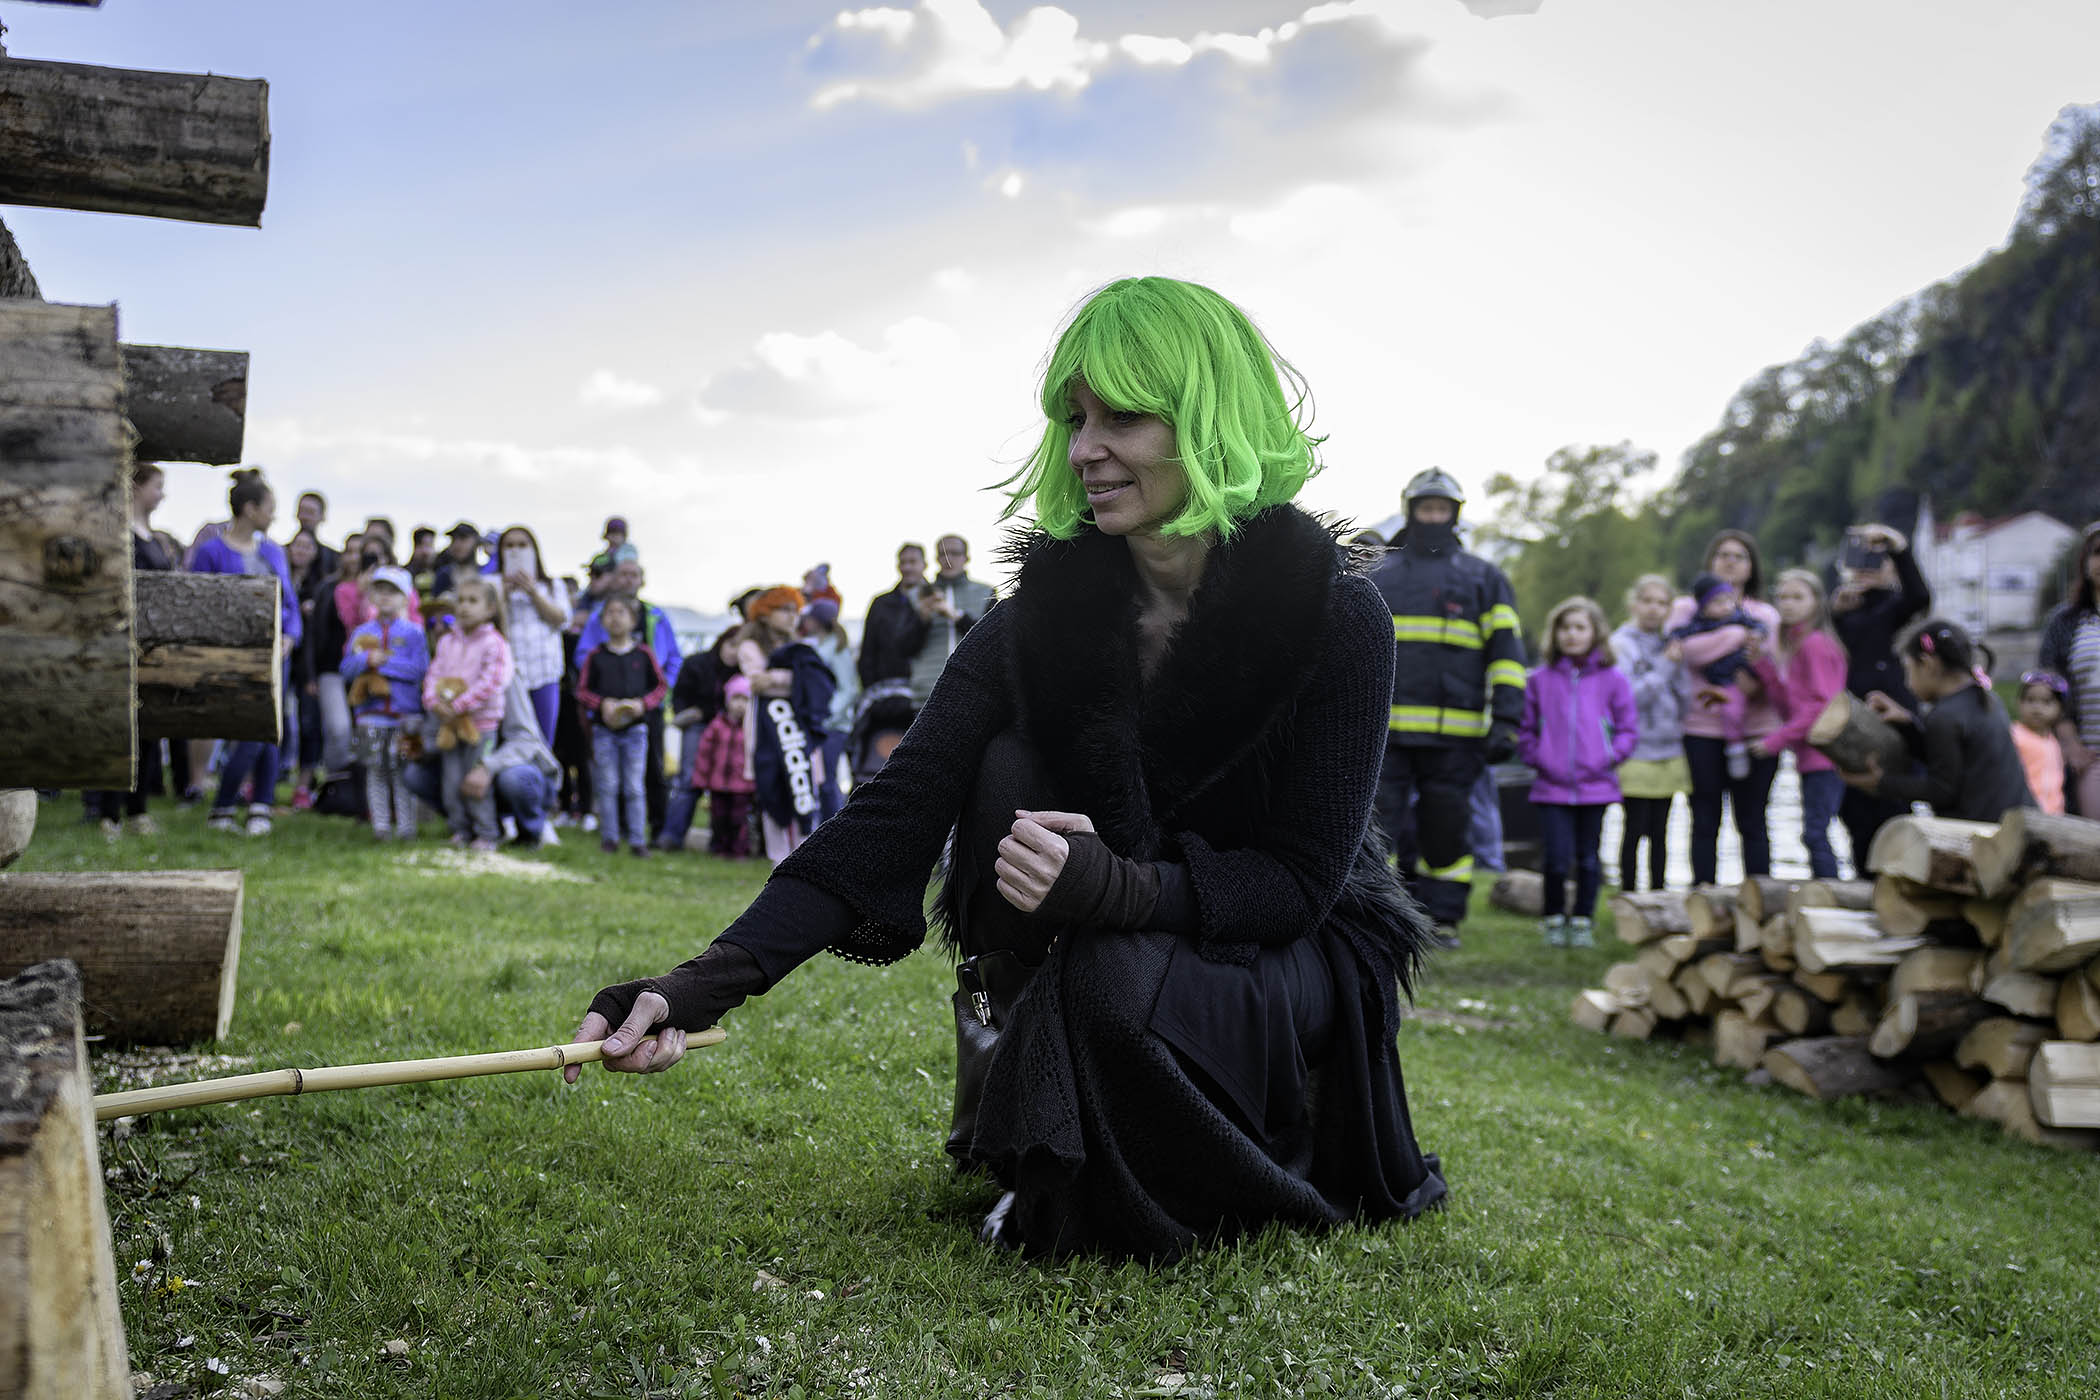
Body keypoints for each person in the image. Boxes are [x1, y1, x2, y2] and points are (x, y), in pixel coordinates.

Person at [569, 275, 1445, 1262]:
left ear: (1211, 421)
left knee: (1111, 970)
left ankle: (1185, 1154)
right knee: (1005, 764)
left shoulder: (1338, 613)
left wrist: (1120, 887)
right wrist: (695, 986)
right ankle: (1020, 1071)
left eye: (1123, 417)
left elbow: (1296, 884)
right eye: (1075, 419)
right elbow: (894, 813)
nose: (1084, 450)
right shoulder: (1042, 611)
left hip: (1285, 950)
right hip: (1106, 930)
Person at [1368, 468, 1526, 947]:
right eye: (1426, 508)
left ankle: (1444, 919)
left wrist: (1506, 720)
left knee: (1447, 830)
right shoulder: (1380, 573)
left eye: (1441, 509)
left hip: (1456, 737)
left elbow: (1507, 655)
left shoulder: (1484, 578)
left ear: (1454, 515)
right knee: (1376, 828)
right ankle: (1374, 913)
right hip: (1384, 735)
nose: (1433, 517)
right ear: (1411, 510)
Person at [1519, 597, 1637, 948]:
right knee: (1556, 858)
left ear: (1595, 633)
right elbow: (1526, 729)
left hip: (1596, 786)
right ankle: (1554, 918)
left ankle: (1584, 919)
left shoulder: (1613, 679)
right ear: (1555, 634)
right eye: (1565, 628)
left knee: (1588, 859)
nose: (1571, 634)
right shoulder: (1539, 679)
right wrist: (1538, 757)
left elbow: (1628, 728)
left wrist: (1609, 756)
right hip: (1551, 786)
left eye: (1579, 627)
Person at [1666, 530, 1781, 887]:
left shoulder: (1765, 614)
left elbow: (1773, 662)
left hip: (1756, 730)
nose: (1730, 562)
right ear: (1711, 562)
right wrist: (1736, 636)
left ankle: (1760, 899)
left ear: (1751, 567)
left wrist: (1753, 675)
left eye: (1739, 556)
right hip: (1701, 729)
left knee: (1753, 820)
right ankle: (1704, 896)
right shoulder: (1685, 608)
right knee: (1704, 819)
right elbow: (1687, 652)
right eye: (1723, 555)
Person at [191, 469, 302, 836]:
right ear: (251, 509)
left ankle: (259, 806)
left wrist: (289, 637)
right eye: (270, 507)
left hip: (275, 655)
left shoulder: (272, 552)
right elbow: (196, 602)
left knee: (269, 729)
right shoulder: (211, 552)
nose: (274, 515)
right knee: (248, 729)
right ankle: (226, 804)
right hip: (232, 656)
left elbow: (289, 603)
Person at [1840, 619, 2034, 822]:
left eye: (1908, 670)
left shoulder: (1945, 716)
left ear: (1928, 664)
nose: (1907, 683)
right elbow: (1951, 759)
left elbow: (1942, 790)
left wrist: (1881, 782)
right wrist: (1908, 724)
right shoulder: (1985, 698)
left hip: (1982, 831)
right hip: (2015, 820)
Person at [1830, 522, 1931, 859]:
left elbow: (1919, 596)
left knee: (1894, 807)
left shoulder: (1896, 606)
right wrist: (1836, 612)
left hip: (1892, 719)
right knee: (1855, 811)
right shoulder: (1845, 610)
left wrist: (1898, 548)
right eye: (1860, 562)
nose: (1867, 569)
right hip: (1852, 719)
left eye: (1876, 562)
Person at [87, 461, 176, 837]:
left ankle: (138, 810)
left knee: (148, 728)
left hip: (152, 648)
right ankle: (108, 814)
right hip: (120, 645)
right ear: (137, 487)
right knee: (117, 729)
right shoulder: (119, 534)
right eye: (157, 486)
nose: (162, 494)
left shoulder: (154, 538)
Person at [1749, 570, 1849, 879]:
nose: (1788, 604)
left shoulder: (1815, 644)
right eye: (1782, 597)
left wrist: (1774, 742)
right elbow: (1789, 707)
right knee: (1814, 832)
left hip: (1826, 755)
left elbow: (1822, 706)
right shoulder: (1795, 645)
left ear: (1816, 602)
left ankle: (1831, 895)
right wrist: (1763, 666)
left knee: (1815, 833)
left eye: (1797, 597)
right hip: (1809, 756)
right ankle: (1827, 892)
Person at [575, 558, 682, 837]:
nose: (628, 579)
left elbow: (673, 658)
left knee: (653, 769)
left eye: (633, 574)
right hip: (607, 714)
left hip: (647, 708)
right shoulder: (598, 619)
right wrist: (603, 699)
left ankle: (656, 828)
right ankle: (616, 829)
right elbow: (583, 661)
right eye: (622, 574)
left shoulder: (655, 616)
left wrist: (651, 699)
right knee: (610, 776)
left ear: (642, 580)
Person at [739, 586, 836, 861]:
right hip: (767, 731)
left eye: (795, 610)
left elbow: (814, 681)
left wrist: (776, 678)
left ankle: (804, 860)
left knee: (804, 790)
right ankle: (778, 860)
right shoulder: (750, 646)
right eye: (784, 610)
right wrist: (793, 679)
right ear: (765, 613)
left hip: (799, 730)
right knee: (772, 790)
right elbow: (757, 681)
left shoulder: (803, 648)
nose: (791, 616)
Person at [1610, 574, 1689, 892]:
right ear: (1633, 604)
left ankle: (1659, 895)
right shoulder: (1620, 644)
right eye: (1647, 601)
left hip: (1669, 749)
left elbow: (1684, 698)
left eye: (1662, 603)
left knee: (1661, 832)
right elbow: (1627, 698)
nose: (1654, 609)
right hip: (1636, 750)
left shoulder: (1670, 643)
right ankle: (1628, 895)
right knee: (1634, 828)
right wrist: (1665, 666)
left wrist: (1677, 667)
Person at [423, 575, 515, 849]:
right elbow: (433, 675)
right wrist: (433, 702)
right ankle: (460, 830)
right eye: (461, 600)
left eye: (473, 601)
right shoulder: (446, 642)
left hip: (481, 727)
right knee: (452, 782)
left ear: (490, 609)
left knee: (474, 782)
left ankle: (486, 833)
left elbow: (491, 682)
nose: (464, 606)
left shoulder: (495, 643)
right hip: (450, 726)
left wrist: (458, 706)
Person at [340, 566, 428, 841]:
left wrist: (384, 662)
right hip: (370, 715)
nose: (386, 596)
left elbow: (419, 669)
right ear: (371, 595)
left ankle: (407, 828)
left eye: (394, 591)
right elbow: (346, 669)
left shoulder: (415, 633)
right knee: (375, 772)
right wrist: (366, 659)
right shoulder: (361, 632)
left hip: (406, 716)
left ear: (406, 597)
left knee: (404, 773)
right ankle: (381, 827)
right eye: (380, 590)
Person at [1666, 573, 1768, 780]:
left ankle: (1736, 747)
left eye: (1728, 601)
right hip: (1713, 683)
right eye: (1717, 603)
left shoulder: (1740, 617)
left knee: (1733, 711)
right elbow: (1684, 642)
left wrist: (1755, 635)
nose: (1725, 607)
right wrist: (1674, 641)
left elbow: (1759, 628)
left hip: (1737, 676)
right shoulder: (1698, 623)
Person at [660, 628, 744, 852]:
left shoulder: (742, 673)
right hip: (697, 726)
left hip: (731, 730)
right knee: (689, 780)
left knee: (727, 785)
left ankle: (724, 843)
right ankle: (672, 835)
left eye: (740, 648)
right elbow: (680, 698)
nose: (734, 652)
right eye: (732, 645)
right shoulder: (697, 664)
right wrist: (691, 714)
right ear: (721, 642)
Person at [853, 543, 933, 774]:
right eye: (903, 562)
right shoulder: (881, 603)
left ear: (924, 564)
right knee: (882, 763)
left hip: (924, 693)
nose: (907, 567)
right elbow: (868, 650)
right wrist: (871, 688)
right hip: (884, 698)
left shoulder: (936, 599)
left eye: (913, 562)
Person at [2038, 520, 2100, 817]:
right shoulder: (2065, 622)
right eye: (2097, 553)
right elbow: (2048, 685)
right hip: (2090, 757)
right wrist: (2070, 742)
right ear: (2085, 563)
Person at [906, 536, 997, 715]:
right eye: (943, 554)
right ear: (936, 558)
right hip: (926, 694)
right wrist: (923, 618)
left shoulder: (986, 592)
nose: (948, 560)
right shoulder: (917, 594)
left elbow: (991, 643)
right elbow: (904, 647)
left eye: (955, 553)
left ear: (966, 557)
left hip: (973, 691)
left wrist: (956, 616)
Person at [495, 526, 569, 745]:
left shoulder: (553, 585)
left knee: (544, 741)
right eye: (509, 546)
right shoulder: (493, 585)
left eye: (522, 545)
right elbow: (492, 628)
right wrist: (502, 596)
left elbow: (562, 620)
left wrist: (533, 591)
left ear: (534, 550)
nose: (515, 551)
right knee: (510, 742)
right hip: (508, 675)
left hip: (544, 673)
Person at [800, 598, 859, 822]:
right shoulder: (819, 645)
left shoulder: (837, 648)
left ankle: (834, 826)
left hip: (833, 727)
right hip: (820, 725)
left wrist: (827, 716)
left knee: (826, 781)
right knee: (819, 780)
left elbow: (848, 689)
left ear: (817, 620)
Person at [691, 675, 756, 857]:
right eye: (736, 698)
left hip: (742, 785)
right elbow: (704, 754)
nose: (740, 704)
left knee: (738, 819)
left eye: (745, 699)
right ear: (728, 700)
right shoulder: (717, 725)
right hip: (718, 783)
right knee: (718, 817)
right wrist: (701, 779)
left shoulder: (752, 729)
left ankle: (739, 850)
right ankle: (719, 848)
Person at [2013, 671, 2070, 816]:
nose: (2037, 708)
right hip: (2023, 814)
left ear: (2060, 708)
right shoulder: (2014, 736)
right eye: (2030, 700)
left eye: (2046, 702)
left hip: (2054, 816)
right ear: (2018, 703)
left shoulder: (2054, 742)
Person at [432, 522, 484, 600]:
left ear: (476, 542)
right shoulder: (443, 575)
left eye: (463, 538)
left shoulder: (486, 573)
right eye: (453, 540)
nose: (457, 544)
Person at [294, 491, 340, 578]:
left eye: (310, 512)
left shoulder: (334, 559)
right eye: (302, 511)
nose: (305, 517)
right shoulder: (281, 553)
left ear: (322, 517)